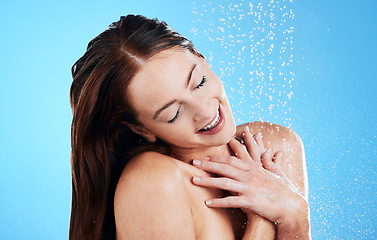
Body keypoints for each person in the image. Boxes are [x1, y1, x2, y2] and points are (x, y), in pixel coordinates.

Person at [69, 14, 310, 240]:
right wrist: (263, 220)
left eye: (199, 82)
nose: (205, 111)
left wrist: (297, 217)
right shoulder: (153, 182)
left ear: (201, 58)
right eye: (174, 113)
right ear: (142, 129)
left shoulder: (277, 143)